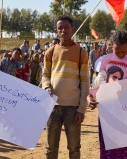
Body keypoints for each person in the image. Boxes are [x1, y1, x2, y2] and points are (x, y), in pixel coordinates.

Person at [42, 15, 89, 159]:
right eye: (60, 28)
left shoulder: (81, 52)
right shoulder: (50, 52)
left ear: (72, 29)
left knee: (74, 148)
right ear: (56, 31)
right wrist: (46, 87)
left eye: (66, 27)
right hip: (53, 106)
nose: (64, 30)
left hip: (73, 108)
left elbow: (85, 82)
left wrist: (81, 109)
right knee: (51, 148)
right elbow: (45, 75)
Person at [89, 30, 127, 159]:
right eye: (117, 52)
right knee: (106, 144)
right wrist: (92, 95)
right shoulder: (106, 60)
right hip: (107, 109)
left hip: (125, 110)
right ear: (112, 46)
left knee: (122, 145)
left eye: (124, 51)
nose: (121, 54)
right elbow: (100, 81)